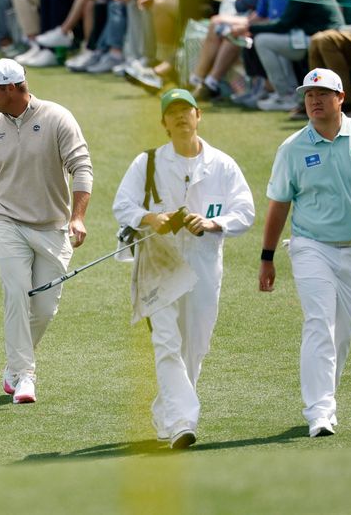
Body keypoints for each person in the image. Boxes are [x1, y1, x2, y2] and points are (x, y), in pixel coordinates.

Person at [112, 89, 254, 449]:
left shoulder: (223, 165)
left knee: (195, 345)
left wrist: (212, 223)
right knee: (166, 341)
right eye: (172, 112)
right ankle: (183, 422)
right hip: (159, 263)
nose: (179, 117)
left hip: (205, 264)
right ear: (163, 123)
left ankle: (167, 413)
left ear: (198, 115)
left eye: (185, 110)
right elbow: (122, 205)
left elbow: (246, 212)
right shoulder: (146, 163)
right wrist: (151, 218)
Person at [258, 68, 351, 438]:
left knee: (342, 334)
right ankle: (319, 411)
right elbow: (279, 205)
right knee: (319, 323)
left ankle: (325, 399)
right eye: (308, 95)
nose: (314, 101)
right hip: (310, 246)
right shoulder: (292, 148)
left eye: (322, 94)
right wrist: (267, 257)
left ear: (340, 98)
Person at [0, 58, 92, 404]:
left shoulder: (57, 118)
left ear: (10, 87)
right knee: (17, 293)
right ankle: (25, 376)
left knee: (45, 307)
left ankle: (15, 364)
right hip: (7, 222)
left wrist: (77, 217)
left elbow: (81, 167)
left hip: (53, 226)